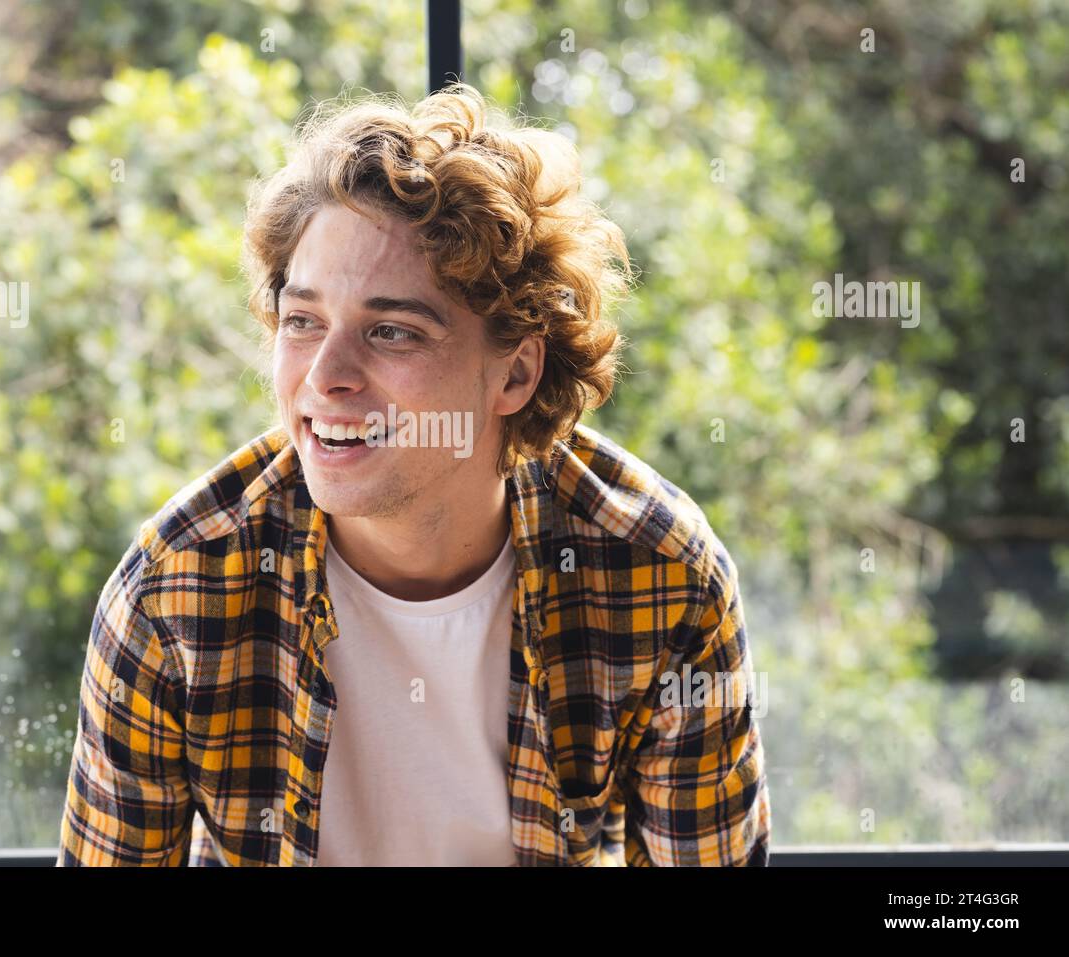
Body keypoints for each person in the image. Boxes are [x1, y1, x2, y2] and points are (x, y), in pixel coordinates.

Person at [58, 82, 769, 866]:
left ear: (515, 374)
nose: (324, 376)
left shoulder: (661, 574)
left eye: (391, 331)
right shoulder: (175, 588)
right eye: (303, 321)